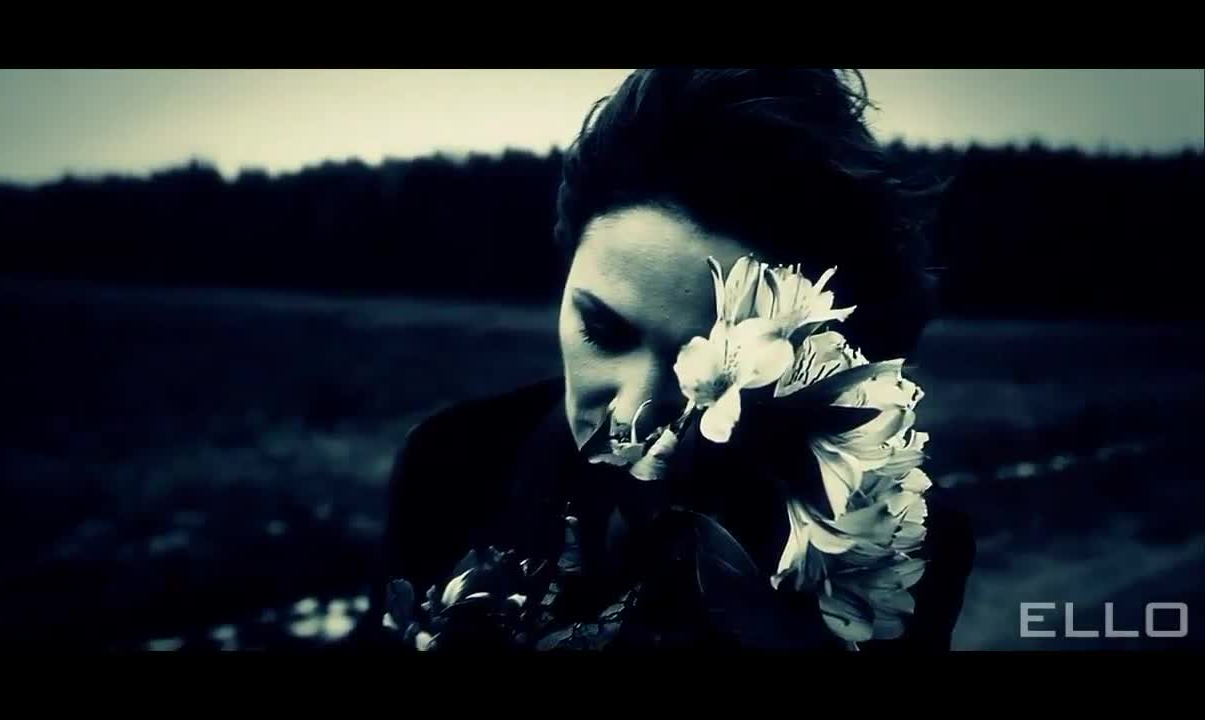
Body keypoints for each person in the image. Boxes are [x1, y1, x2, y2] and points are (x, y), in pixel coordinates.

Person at [368, 69, 975, 651]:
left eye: (710, 379)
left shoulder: (894, 541)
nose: (632, 414)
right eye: (602, 330)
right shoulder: (450, 463)